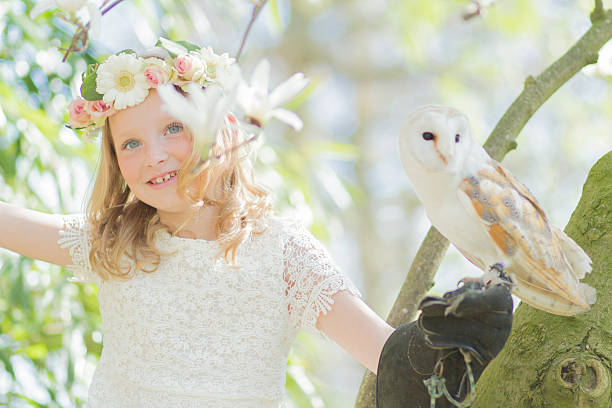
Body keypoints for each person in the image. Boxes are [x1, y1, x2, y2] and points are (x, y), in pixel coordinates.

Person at [0, 42, 513, 407]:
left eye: (174, 127)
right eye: (130, 143)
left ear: (223, 129)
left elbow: (391, 358)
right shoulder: (111, 241)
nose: (152, 155)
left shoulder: (284, 251)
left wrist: (457, 326)